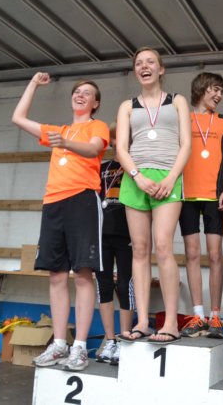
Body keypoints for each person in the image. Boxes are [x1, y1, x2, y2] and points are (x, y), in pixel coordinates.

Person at [12, 72, 109, 371]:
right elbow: (18, 118)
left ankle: (79, 346)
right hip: (53, 201)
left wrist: (65, 143)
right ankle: (58, 344)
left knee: (82, 274)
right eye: (77, 91)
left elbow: (94, 149)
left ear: (95, 103)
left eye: (87, 93)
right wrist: (32, 84)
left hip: (82, 199)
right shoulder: (58, 130)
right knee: (56, 275)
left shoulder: (96, 126)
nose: (80, 95)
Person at [115, 47, 191, 345]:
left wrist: (171, 178)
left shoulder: (177, 101)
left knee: (163, 246)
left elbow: (186, 144)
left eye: (150, 62)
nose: (144, 66)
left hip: (168, 178)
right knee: (139, 249)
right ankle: (143, 321)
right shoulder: (127, 106)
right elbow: (121, 148)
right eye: (139, 63)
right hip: (136, 179)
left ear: (161, 69)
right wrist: (137, 177)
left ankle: (170, 322)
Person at [178, 72, 223, 339]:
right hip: (186, 195)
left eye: (221, 91)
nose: (219, 95)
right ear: (201, 88)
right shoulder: (183, 119)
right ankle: (197, 315)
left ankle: (215, 316)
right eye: (215, 89)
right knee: (192, 254)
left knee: (215, 255)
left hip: (215, 196)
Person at [95, 122, 134, 365]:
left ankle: (125, 338)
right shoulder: (102, 168)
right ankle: (110, 340)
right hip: (102, 235)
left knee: (125, 285)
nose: (119, 142)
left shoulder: (135, 166)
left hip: (127, 234)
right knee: (104, 285)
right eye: (115, 138)